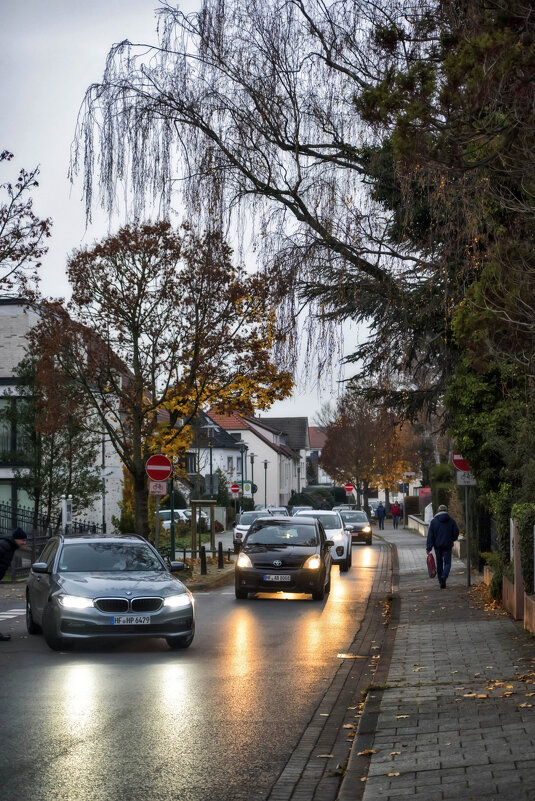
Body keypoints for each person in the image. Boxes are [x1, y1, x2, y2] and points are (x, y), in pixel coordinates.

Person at [0, 527, 27, 640]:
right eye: (22, 540)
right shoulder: (4, 545)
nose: (24, 543)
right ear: (16, 539)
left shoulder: (9, 545)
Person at [426, 505, 459, 589]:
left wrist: (429, 547)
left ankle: (441, 581)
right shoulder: (451, 521)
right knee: (447, 563)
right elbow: (456, 532)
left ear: (438, 511)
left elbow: (430, 536)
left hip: (437, 546)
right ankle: (444, 576)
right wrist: (452, 539)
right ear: (446, 510)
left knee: (439, 563)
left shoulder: (434, 522)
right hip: (447, 545)